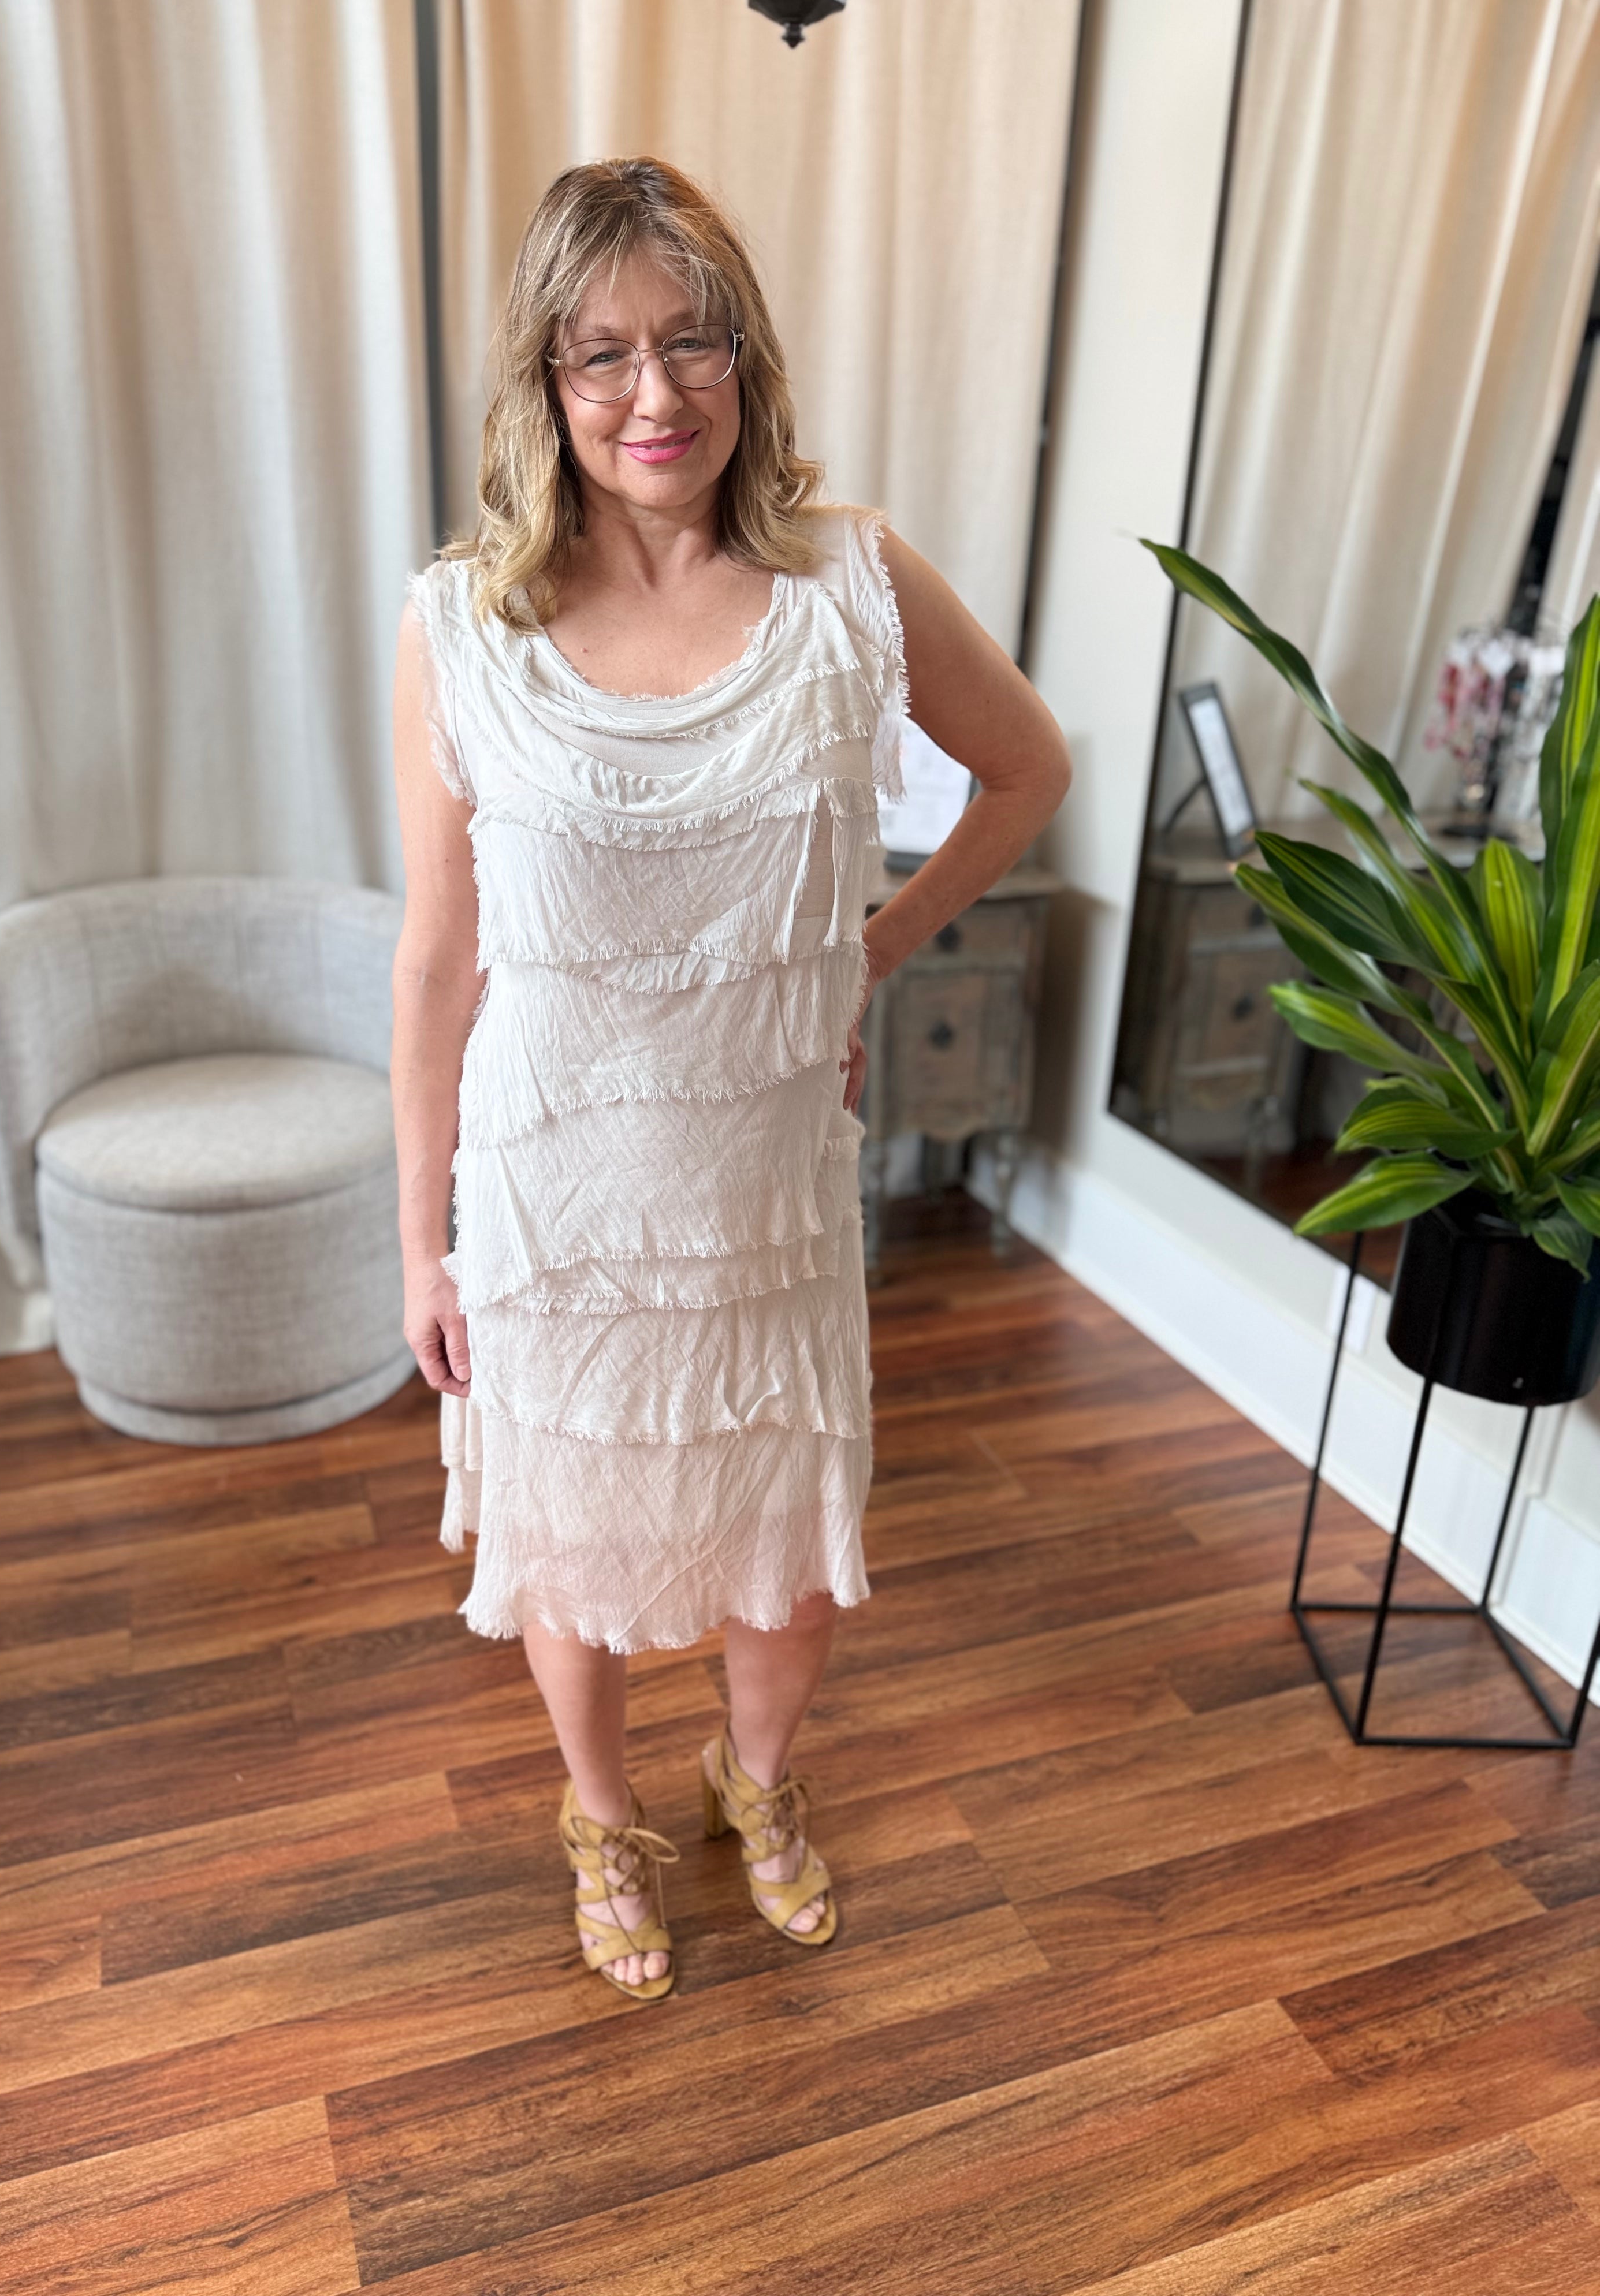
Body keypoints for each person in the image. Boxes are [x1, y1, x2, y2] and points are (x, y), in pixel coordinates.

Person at [390, 156, 1070, 2004]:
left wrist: (868, 947)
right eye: (601, 353)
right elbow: (440, 961)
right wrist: (421, 1245)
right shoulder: (465, 624)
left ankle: (754, 1787)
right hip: (552, 1198)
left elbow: (1031, 773)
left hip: (762, 1191)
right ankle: (600, 1815)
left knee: (782, 1570)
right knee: (576, 1550)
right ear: (543, 377)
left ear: (747, 361)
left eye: (694, 343)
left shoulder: (852, 580)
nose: (654, 395)